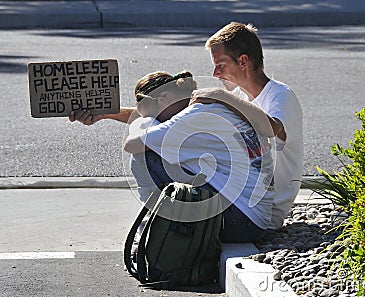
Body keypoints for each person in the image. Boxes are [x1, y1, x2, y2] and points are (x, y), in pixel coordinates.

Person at [123, 70, 275, 243]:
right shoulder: (213, 105)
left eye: (154, 116)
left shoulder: (187, 120)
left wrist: (146, 122)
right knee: (166, 153)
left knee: (144, 156)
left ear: (163, 99)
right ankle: (160, 221)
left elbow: (131, 145)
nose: (158, 121)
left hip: (238, 222)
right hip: (257, 220)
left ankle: (155, 222)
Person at [194, 22, 304, 229]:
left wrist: (219, 96)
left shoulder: (280, 96)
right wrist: (117, 113)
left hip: (260, 213)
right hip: (239, 200)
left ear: (243, 61)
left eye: (220, 65)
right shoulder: (239, 96)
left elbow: (271, 128)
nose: (215, 74)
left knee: (155, 160)